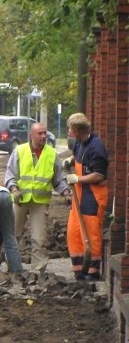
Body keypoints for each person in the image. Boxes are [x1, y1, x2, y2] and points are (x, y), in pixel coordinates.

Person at [4, 122, 71, 273]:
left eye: (44, 133)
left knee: (39, 238)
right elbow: (10, 175)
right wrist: (14, 189)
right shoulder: (20, 151)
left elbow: (59, 179)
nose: (43, 136)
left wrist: (66, 192)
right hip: (19, 200)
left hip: (40, 203)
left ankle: (37, 272)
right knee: (13, 235)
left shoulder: (51, 154)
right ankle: (12, 268)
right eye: (39, 133)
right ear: (31, 135)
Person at [64, 113, 109, 280]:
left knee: (91, 233)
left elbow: (99, 175)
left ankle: (92, 271)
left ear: (77, 130)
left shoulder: (96, 147)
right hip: (81, 195)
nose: (69, 131)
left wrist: (78, 179)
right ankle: (79, 268)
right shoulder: (80, 143)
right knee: (74, 231)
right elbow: (79, 157)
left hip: (93, 196)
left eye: (70, 129)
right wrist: (71, 160)